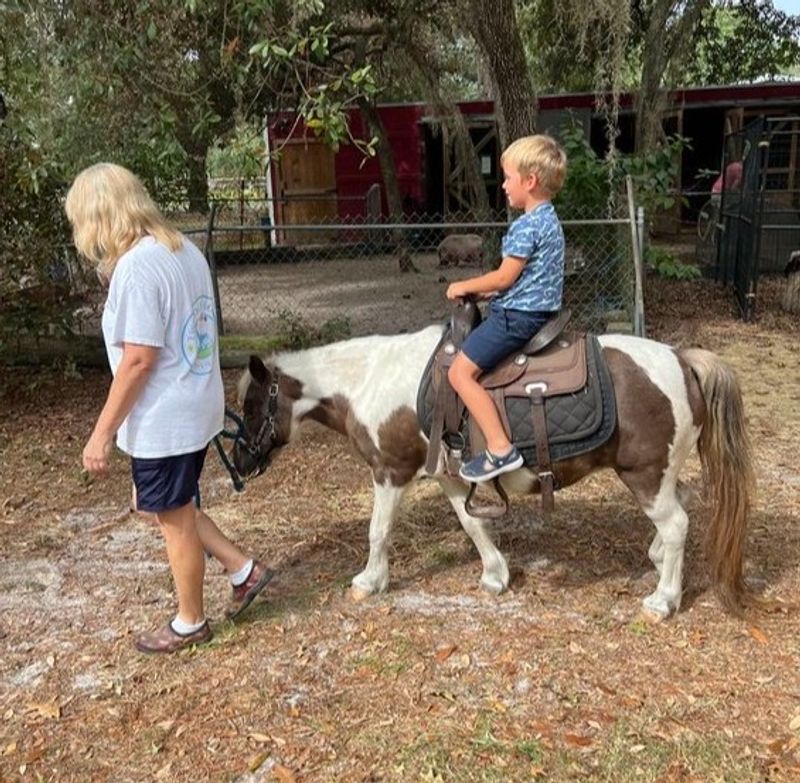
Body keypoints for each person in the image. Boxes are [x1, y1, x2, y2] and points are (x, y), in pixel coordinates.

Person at [65, 163, 274, 654]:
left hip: (165, 416)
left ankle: (190, 622)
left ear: (98, 216)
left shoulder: (138, 268)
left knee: (173, 516)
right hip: (194, 403)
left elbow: (139, 360)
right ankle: (243, 570)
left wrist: (101, 435)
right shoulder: (182, 249)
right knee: (160, 505)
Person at [446, 134, 567, 483]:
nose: (503, 185)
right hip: (536, 311)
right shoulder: (549, 219)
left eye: (508, 177)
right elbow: (526, 278)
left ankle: (500, 448)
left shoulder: (526, 225)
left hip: (516, 318)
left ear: (530, 181)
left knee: (459, 373)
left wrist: (464, 285)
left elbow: (504, 277)